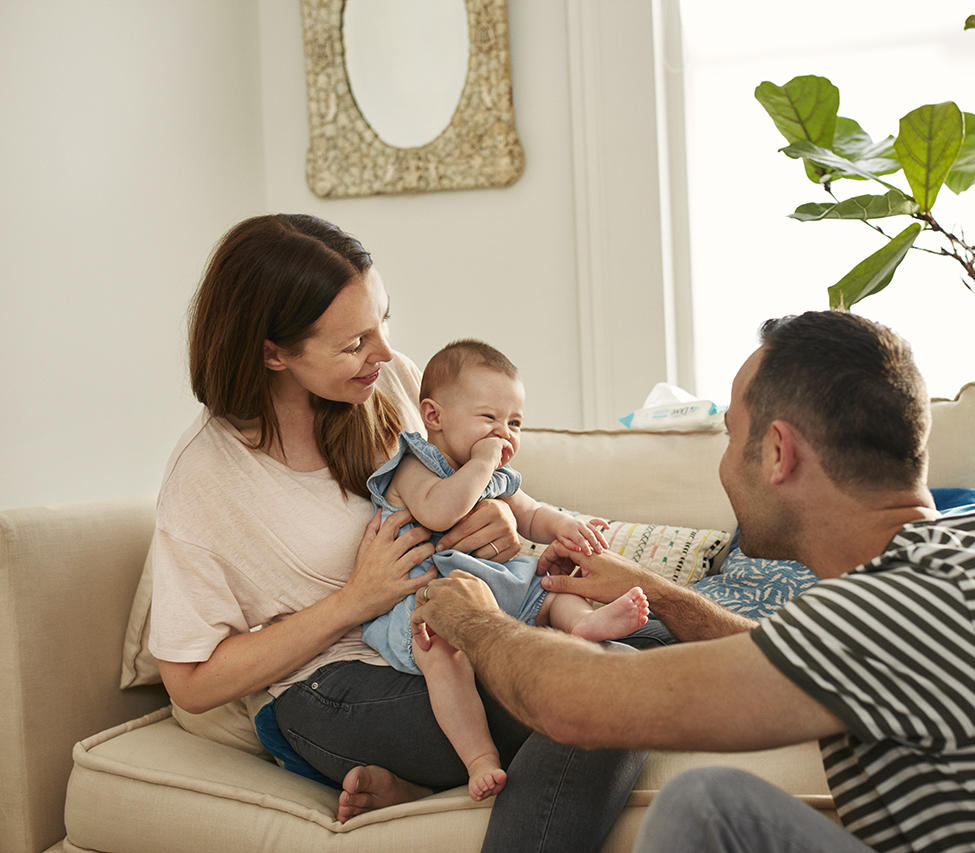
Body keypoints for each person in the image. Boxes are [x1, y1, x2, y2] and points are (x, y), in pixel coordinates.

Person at [414, 310, 975, 853]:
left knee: (703, 807)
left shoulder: (898, 607)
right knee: (718, 807)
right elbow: (784, 659)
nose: (724, 465)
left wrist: (475, 617)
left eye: (730, 437)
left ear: (779, 453)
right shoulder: (958, 566)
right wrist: (663, 590)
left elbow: (577, 706)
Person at [148, 212, 647, 849]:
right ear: (273, 352)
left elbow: (475, 482)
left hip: (452, 630)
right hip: (332, 685)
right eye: (354, 342)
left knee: (652, 639)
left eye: (383, 319)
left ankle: (416, 789)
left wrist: (491, 522)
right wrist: (352, 601)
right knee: (609, 691)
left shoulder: (388, 383)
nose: (384, 353)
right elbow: (190, 684)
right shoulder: (206, 480)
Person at [362, 338, 651, 801]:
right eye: (489, 419)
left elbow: (530, 512)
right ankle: (479, 758)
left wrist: (566, 525)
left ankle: (583, 626)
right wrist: (480, 464)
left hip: (493, 589)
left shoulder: (495, 472)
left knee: (552, 583)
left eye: (514, 422)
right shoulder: (414, 465)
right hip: (429, 599)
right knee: (444, 659)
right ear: (434, 417)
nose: (504, 433)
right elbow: (440, 513)